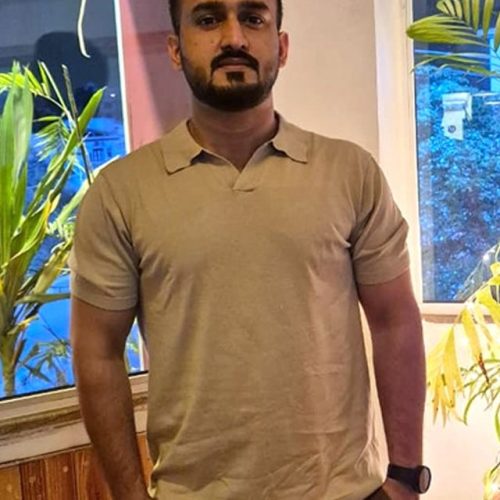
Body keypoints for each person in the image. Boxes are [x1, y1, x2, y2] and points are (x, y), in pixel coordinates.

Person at [69, 1, 428, 499]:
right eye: (208, 19)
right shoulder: (121, 194)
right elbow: (98, 353)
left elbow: (395, 320)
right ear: (175, 49)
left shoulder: (349, 173)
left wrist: (406, 477)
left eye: (253, 18)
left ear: (281, 47)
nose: (233, 38)